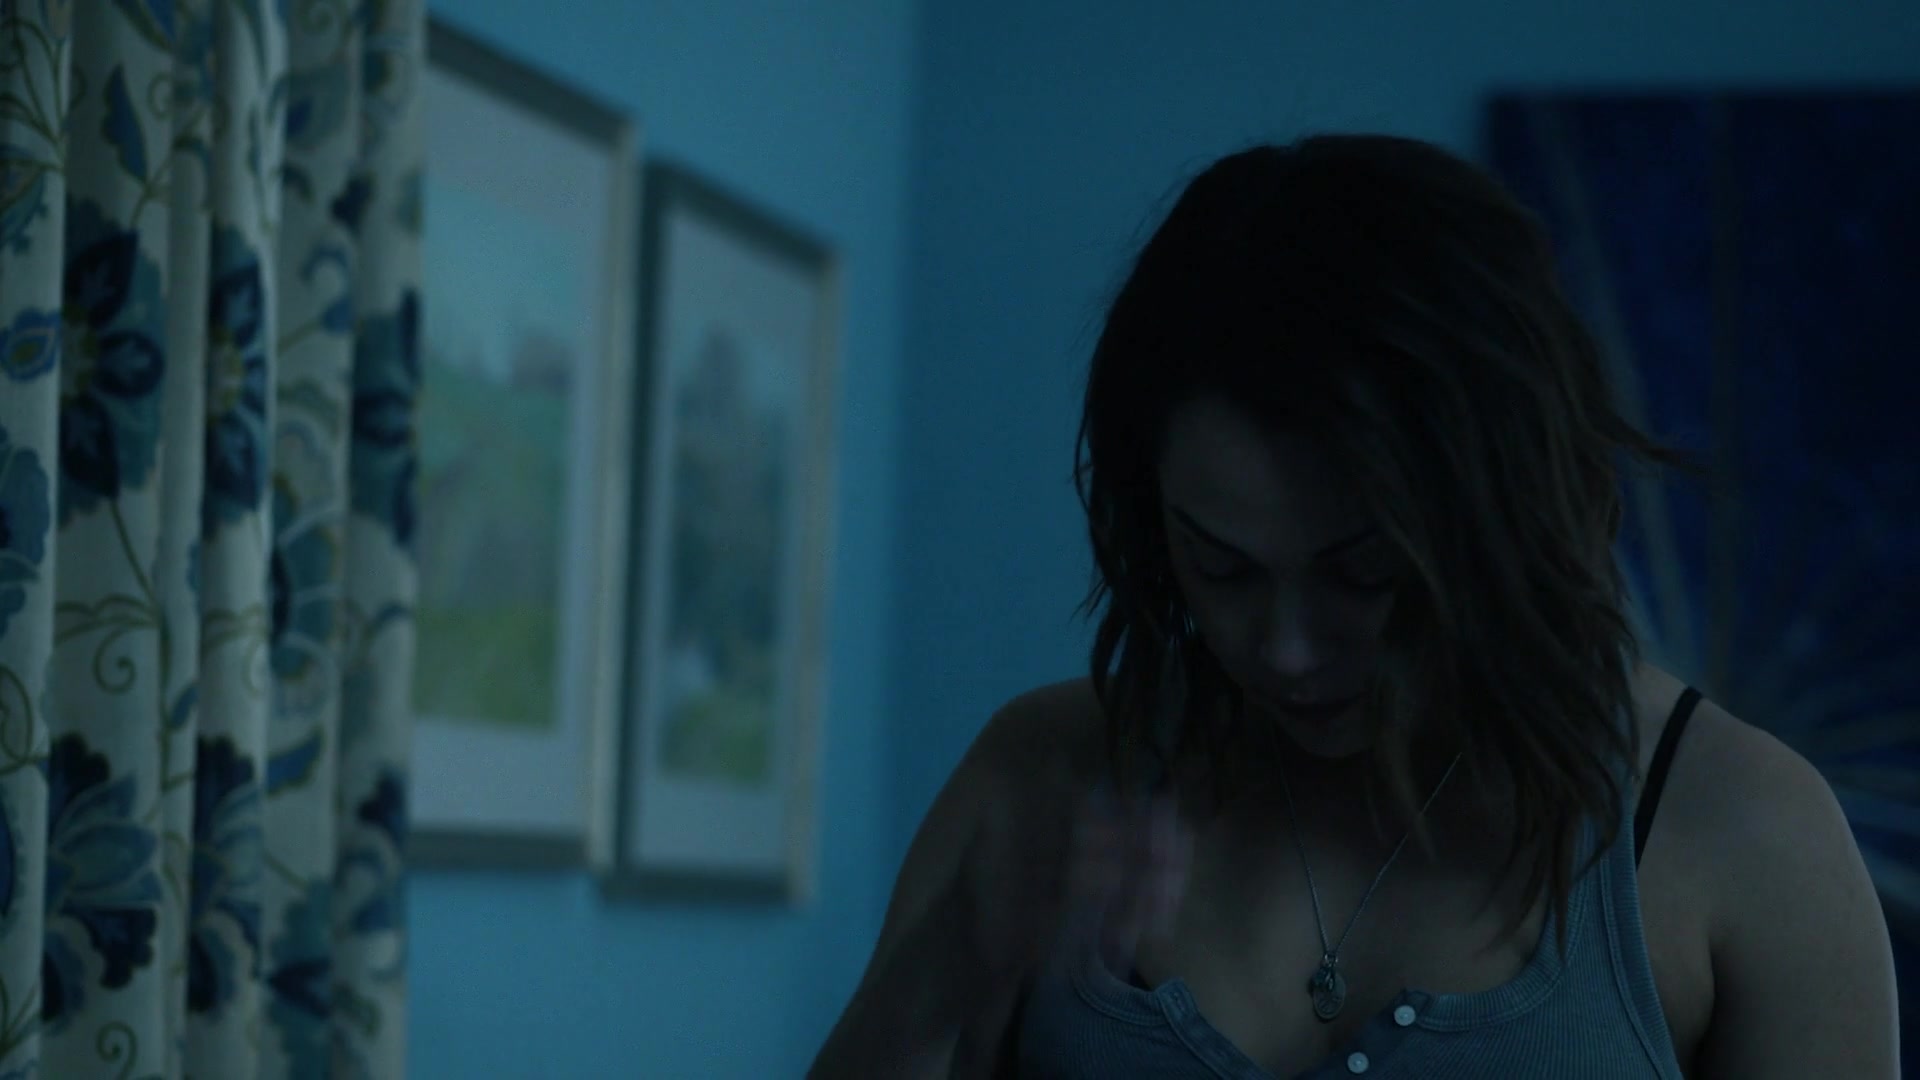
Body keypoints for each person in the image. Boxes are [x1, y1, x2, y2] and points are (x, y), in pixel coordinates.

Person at [809, 135, 1900, 1078]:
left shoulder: (1742, 831)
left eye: (1364, 574)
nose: (1286, 648)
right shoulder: (1044, 771)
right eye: (1224, 569)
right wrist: (942, 974)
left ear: (1507, 518)